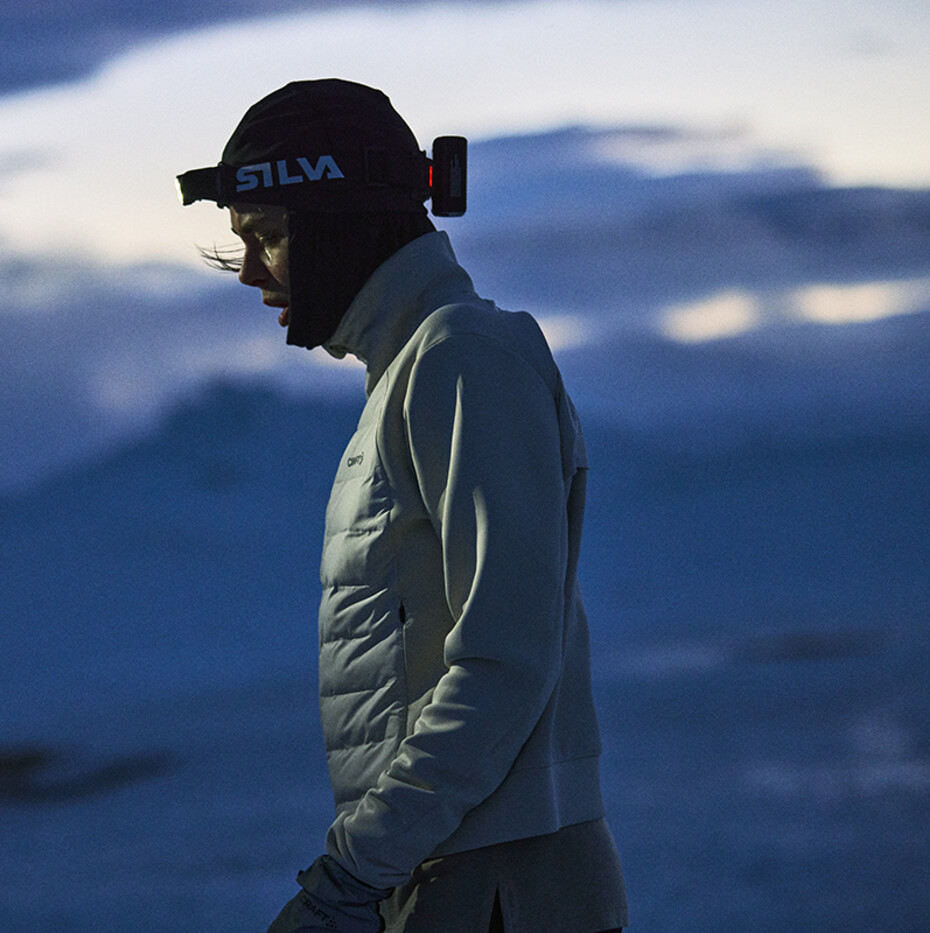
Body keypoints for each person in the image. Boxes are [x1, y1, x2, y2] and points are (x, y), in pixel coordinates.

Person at [178, 79, 630, 933]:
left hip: (501, 890)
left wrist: (350, 876)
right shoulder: (416, 368)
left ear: (339, 218)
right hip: (451, 877)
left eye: (267, 235)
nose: (251, 273)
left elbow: (504, 659)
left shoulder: (462, 358)